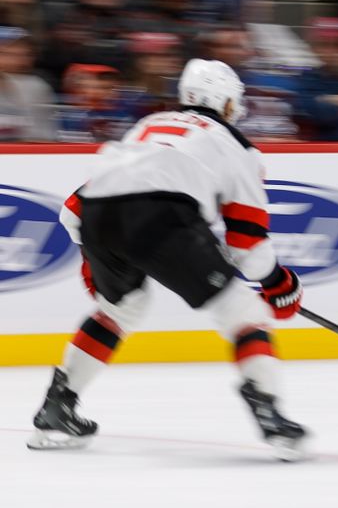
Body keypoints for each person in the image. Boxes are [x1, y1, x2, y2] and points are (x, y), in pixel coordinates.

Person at [28, 58, 308, 460]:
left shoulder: (146, 127)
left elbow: (73, 209)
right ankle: (269, 412)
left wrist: (94, 261)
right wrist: (279, 285)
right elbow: (249, 249)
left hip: (97, 215)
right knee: (244, 310)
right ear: (227, 103)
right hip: (160, 215)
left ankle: (58, 407)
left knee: (121, 308)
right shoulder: (236, 146)